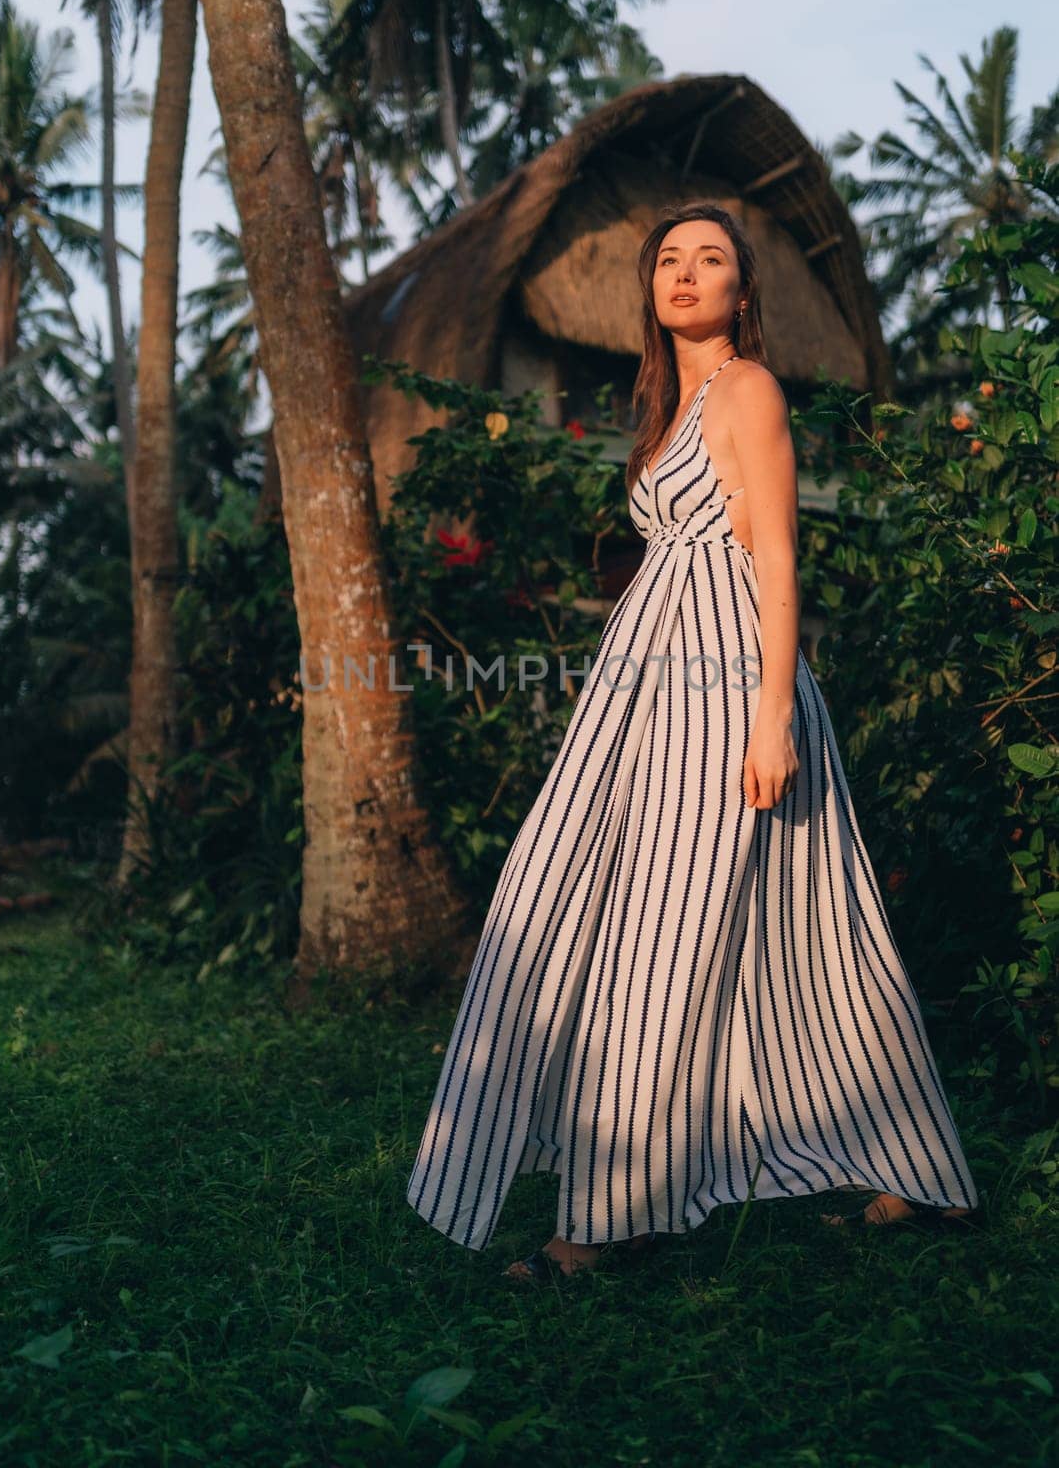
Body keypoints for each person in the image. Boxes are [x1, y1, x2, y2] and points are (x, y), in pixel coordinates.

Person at [405, 201, 981, 1282]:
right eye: (667, 259)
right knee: (804, 933)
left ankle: (606, 1220)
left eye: (708, 259)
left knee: (655, 934)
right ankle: (912, 1164)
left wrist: (769, 719)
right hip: (653, 691)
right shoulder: (669, 405)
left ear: (740, 292)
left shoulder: (748, 388)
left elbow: (774, 557)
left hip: (726, 693)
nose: (683, 274)